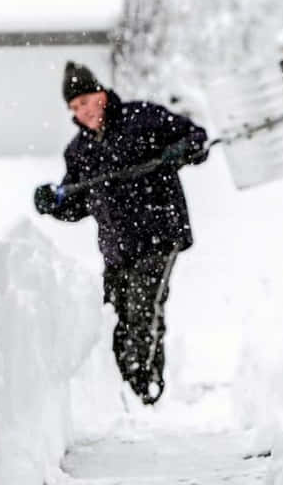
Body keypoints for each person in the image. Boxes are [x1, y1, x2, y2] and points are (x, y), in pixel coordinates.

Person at [34, 61, 209, 406]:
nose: (81, 112)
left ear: (100, 94)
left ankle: (145, 385)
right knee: (115, 314)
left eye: (84, 102)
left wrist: (181, 150)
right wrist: (52, 202)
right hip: (117, 246)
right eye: (73, 108)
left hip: (159, 232)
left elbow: (197, 138)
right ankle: (123, 390)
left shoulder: (143, 118)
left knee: (143, 309)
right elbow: (76, 203)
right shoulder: (79, 151)